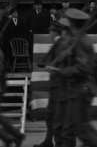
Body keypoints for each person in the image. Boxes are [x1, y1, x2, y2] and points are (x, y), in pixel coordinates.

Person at [47, 8, 97, 147]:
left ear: (72, 24)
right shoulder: (78, 40)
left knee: (79, 129)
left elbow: (84, 68)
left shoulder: (81, 41)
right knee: (76, 128)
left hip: (80, 89)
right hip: (78, 89)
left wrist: (61, 71)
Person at [34, 18, 74, 147]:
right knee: (50, 116)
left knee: (58, 120)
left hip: (61, 87)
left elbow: (66, 66)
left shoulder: (62, 45)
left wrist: (55, 69)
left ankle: (60, 144)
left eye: (50, 32)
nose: (49, 34)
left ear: (55, 33)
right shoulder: (57, 44)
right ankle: (48, 141)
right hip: (55, 86)